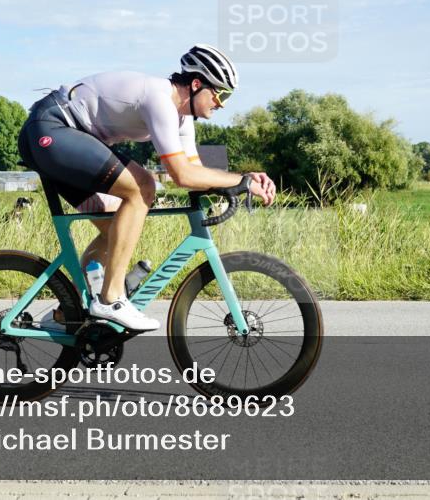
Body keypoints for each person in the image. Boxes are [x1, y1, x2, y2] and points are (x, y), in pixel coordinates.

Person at [17, 45, 276, 332]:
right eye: (220, 94)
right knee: (143, 186)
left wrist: (239, 181)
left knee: (114, 227)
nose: (221, 104)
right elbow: (181, 175)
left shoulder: (182, 119)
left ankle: (70, 314)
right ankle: (111, 298)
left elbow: (195, 173)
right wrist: (242, 180)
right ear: (196, 84)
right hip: (52, 129)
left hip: (65, 140)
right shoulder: (159, 99)